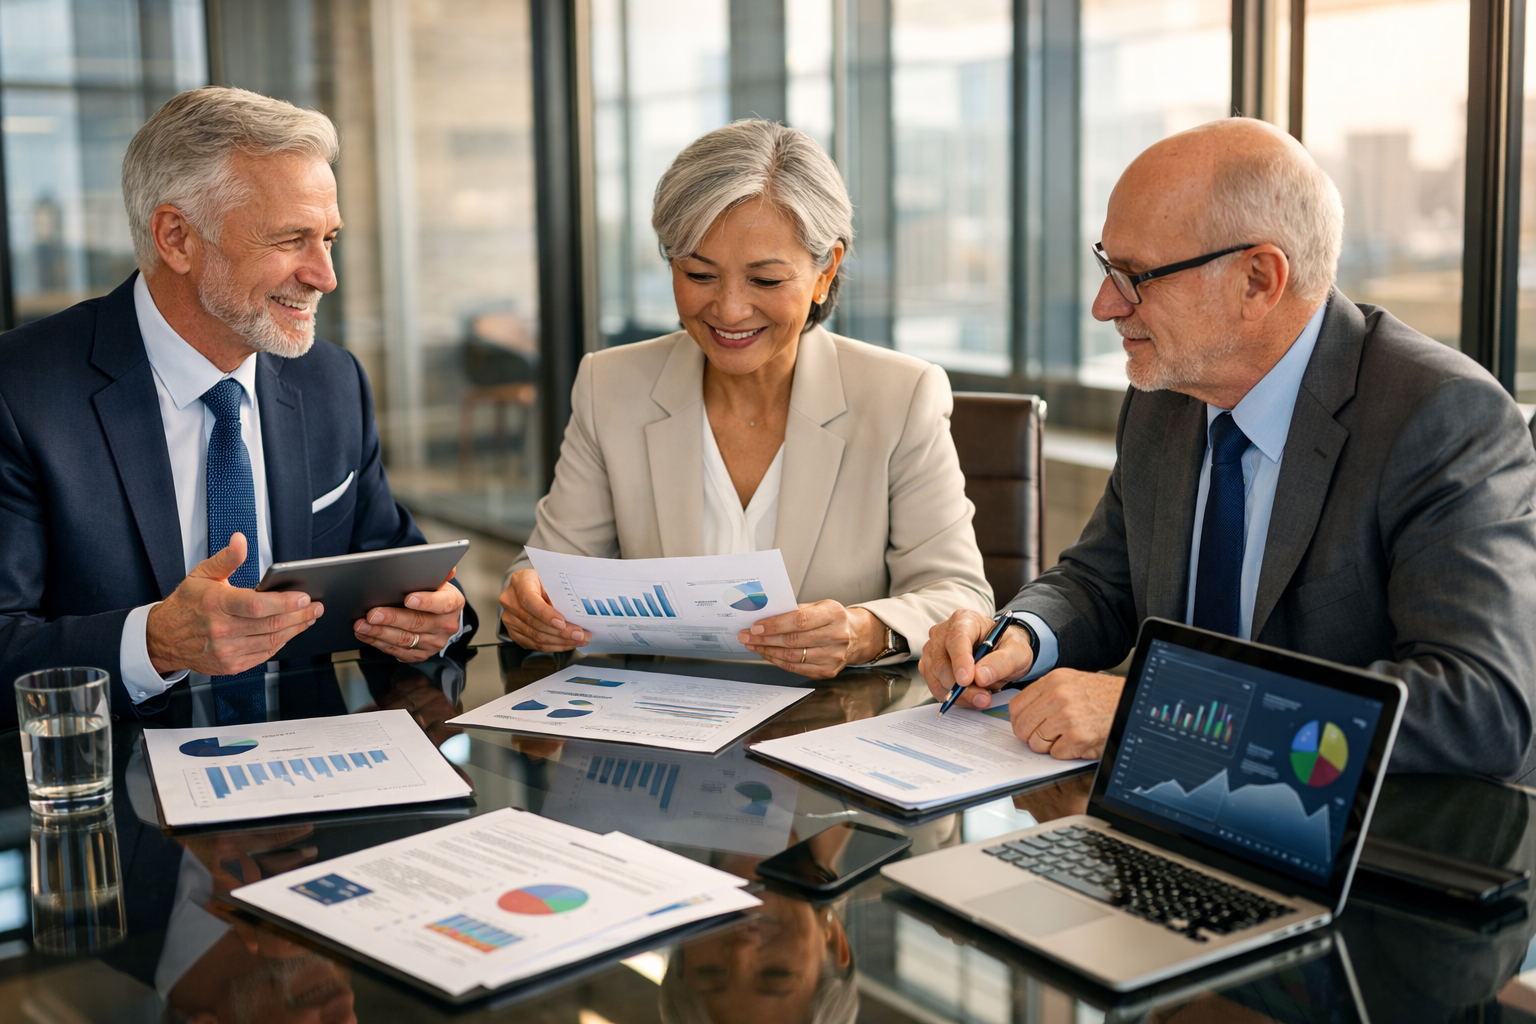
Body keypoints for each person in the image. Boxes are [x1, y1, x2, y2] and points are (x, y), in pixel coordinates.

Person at [921, 117, 1536, 779]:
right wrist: (1018, 636)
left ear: (1258, 280)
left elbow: (1479, 706)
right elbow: (1101, 582)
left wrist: (1160, 708)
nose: (1104, 304)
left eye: (1136, 275)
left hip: (1350, 843)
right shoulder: (1168, 391)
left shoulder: (1440, 416)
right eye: (1107, 265)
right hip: (1164, 810)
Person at [0, 86, 474, 720]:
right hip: (115, 785)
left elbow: (400, 569)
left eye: (329, 239)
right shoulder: (19, 392)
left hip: (313, 779)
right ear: (176, 237)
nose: (324, 275)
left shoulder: (331, 381)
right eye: (290, 240)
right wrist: (157, 642)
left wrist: (437, 619)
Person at [499, 120, 992, 678]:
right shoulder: (609, 385)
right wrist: (531, 605)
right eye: (699, 274)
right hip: (660, 732)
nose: (729, 310)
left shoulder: (901, 396)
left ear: (825, 271)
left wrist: (862, 632)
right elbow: (545, 571)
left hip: (826, 732)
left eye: (764, 281)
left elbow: (961, 597)